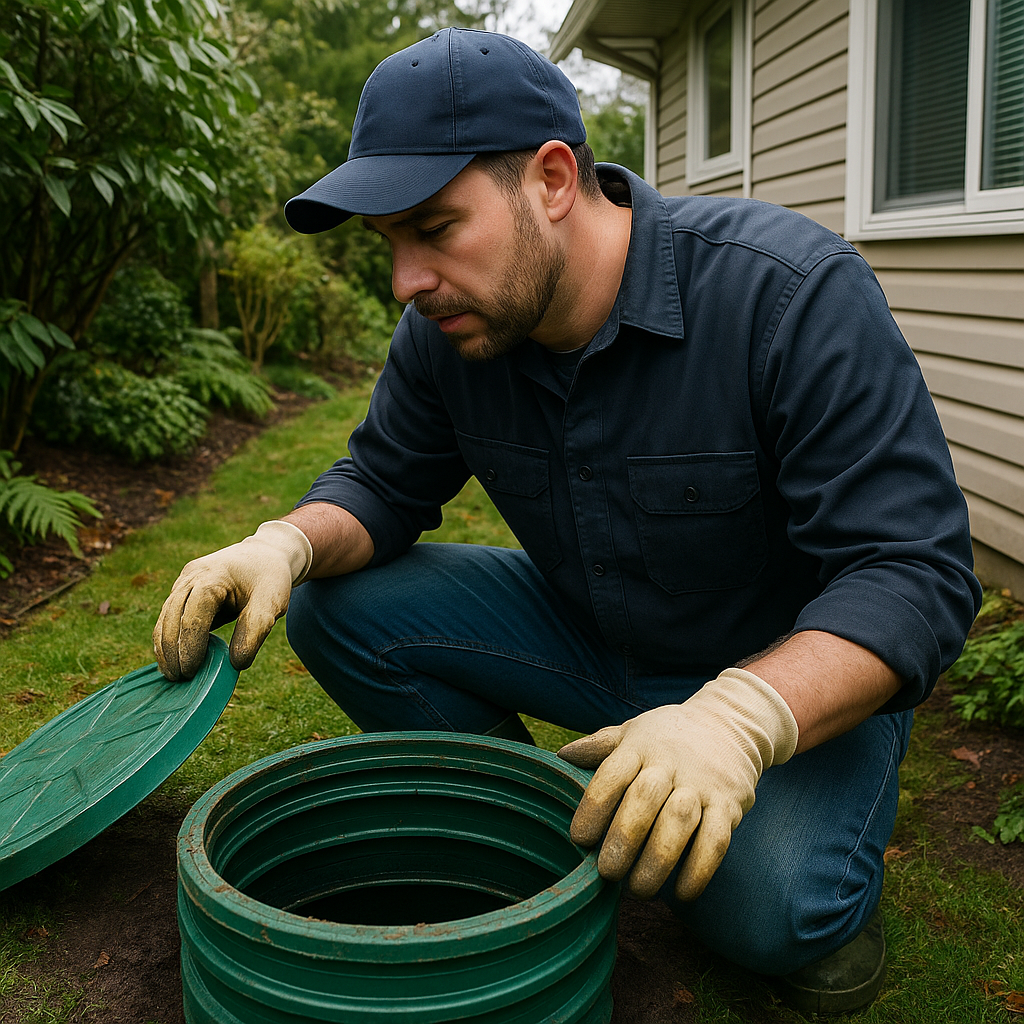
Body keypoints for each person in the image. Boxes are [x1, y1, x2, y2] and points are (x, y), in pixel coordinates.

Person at [154, 26, 981, 1016]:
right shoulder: (448, 330)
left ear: (550, 180)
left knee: (770, 911)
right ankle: (538, 819)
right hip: (594, 633)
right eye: (390, 245)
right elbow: (381, 484)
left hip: (784, 681)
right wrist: (282, 541)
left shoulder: (787, 294)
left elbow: (914, 573)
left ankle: (769, 831)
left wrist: (737, 720)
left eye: (433, 227)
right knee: (334, 604)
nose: (404, 283)